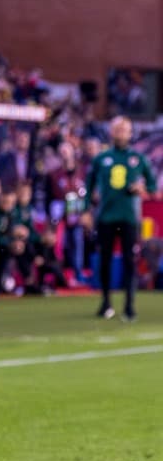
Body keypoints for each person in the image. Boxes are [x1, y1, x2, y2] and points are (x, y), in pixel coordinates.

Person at [86, 116, 157, 321]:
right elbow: (88, 186)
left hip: (129, 217)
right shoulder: (101, 159)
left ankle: (129, 305)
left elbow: (152, 185)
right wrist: (85, 210)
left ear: (130, 133)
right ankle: (106, 302)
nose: (120, 133)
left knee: (129, 261)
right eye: (117, 129)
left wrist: (141, 188)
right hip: (106, 216)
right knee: (105, 260)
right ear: (111, 132)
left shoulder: (138, 158)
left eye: (124, 129)